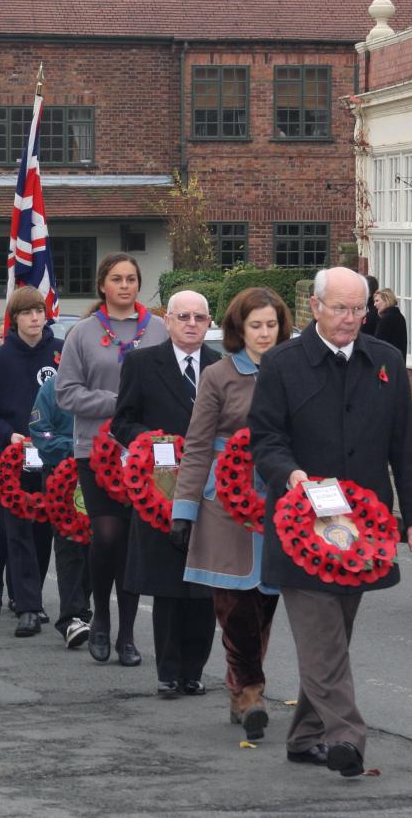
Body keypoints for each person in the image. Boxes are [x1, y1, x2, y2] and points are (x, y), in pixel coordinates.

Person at [248, 267, 412, 777]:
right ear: (315, 307)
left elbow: (405, 446)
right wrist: (289, 475)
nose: (351, 319)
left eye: (359, 309)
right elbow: (264, 439)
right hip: (299, 528)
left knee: (336, 634)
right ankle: (347, 736)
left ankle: (305, 734)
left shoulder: (387, 362)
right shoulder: (283, 364)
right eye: (340, 309)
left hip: (363, 533)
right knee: (323, 634)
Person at [170, 288, 291, 740]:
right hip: (225, 502)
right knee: (234, 604)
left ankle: (240, 688)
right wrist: (184, 508)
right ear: (238, 329)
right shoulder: (218, 374)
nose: (264, 333)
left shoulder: (292, 371)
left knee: (264, 601)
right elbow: (198, 442)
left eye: (271, 324)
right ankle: (251, 691)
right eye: (255, 325)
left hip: (278, 499)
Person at [56, 253, 168, 664]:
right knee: (106, 536)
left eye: (132, 279)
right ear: (103, 285)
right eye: (117, 279)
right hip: (95, 450)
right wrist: (117, 403)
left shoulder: (158, 329)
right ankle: (99, 616)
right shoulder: (82, 333)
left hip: (144, 453)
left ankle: (127, 634)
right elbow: (65, 393)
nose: (125, 286)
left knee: (135, 543)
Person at [112, 290, 219, 697]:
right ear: (168, 321)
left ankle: (195, 671)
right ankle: (168, 672)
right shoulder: (142, 363)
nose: (191, 324)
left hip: (210, 489)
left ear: (208, 323)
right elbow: (123, 422)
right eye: (183, 317)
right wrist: (156, 442)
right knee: (170, 585)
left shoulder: (219, 367)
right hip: (161, 488)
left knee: (204, 587)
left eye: (199, 317)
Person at [0, 286, 64, 637]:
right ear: (16, 319)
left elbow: (69, 400)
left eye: (39, 311)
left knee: (42, 531)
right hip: (11, 458)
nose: (35, 318)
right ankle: (27, 606)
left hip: (51, 456)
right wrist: (6, 434)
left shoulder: (59, 352)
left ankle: (30, 594)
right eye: (27, 312)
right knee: (17, 530)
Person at [30, 366, 92, 648]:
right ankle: (71, 617)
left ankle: (88, 609)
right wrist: (77, 447)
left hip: (101, 475)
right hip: (62, 477)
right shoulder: (52, 388)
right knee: (69, 546)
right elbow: (40, 432)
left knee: (98, 548)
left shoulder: (108, 385)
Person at [372, 288, 407, 356]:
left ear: (386, 300)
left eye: (377, 301)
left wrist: (380, 319)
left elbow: (378, 343)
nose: (374, 304)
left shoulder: (387, 319)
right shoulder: (399, 316)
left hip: (387, 362)